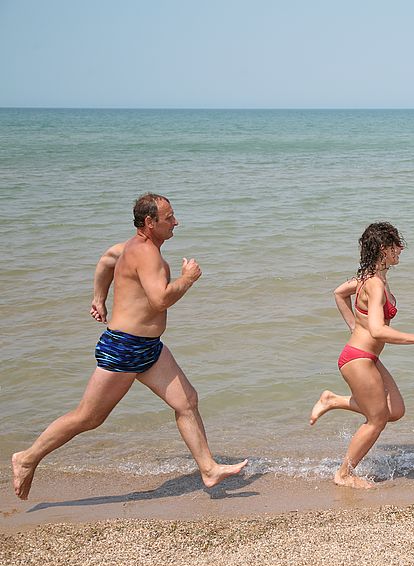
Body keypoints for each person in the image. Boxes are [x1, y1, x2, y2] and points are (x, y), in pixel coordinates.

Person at [11, 193, 248, 500]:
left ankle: (208, 469)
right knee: (89, 417)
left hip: (149, 348)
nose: (176, 222)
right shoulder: (146, 253)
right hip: (124, 347)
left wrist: (98, 297)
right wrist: (188, 279)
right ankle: (27, 458)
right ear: (149, 223)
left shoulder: (131, 247)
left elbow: (107, 259)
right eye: (169, 218)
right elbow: (160, 298)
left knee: (187, 401)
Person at [309, 222, 414, 489]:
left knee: (395, 410)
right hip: (358, 359)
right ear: (382, 248)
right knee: (376, 419)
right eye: (395, 245)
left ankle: (333, 400)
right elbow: (377, 330)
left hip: (365, 358)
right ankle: (344, 473)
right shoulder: (374, 283)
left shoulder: (368, 278)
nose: (400, 249)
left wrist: (354, 325)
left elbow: (339, 293)